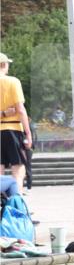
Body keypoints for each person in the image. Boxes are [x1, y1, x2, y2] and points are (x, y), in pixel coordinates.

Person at [0, 53, 33, 191]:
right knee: (18, 172)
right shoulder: (13, 82)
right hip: (13, 129)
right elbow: (20, 109)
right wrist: (28, 133)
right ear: (3, 65)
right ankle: (16, 206)